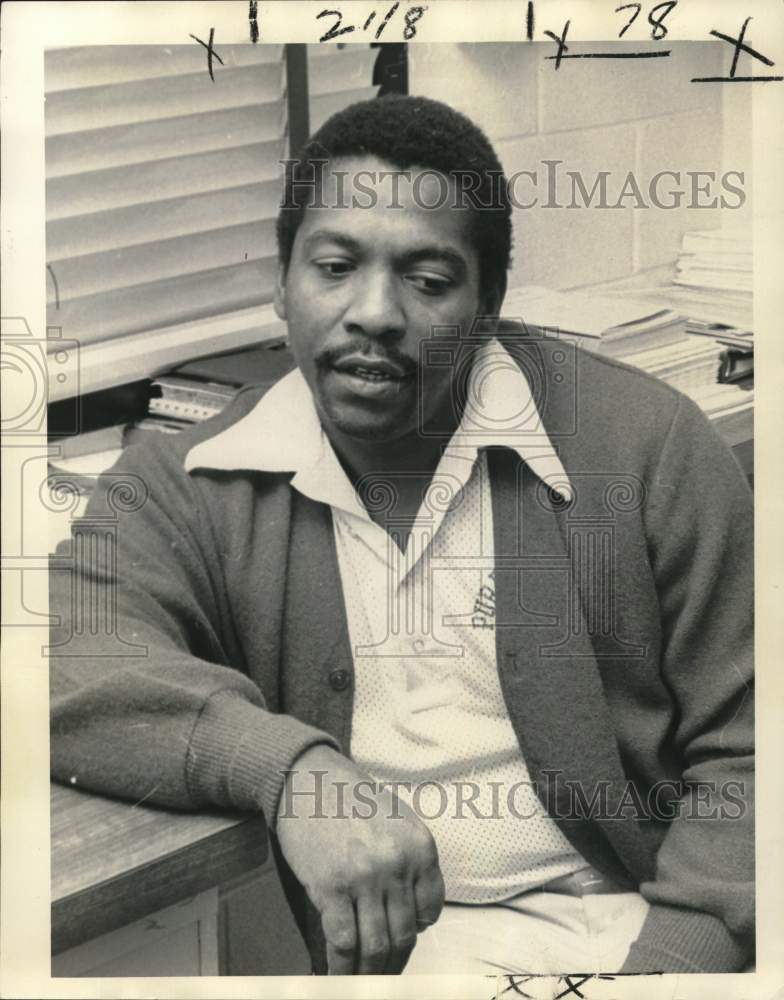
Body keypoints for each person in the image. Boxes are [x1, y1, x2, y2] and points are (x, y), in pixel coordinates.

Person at [50, 95, 754, 976]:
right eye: (334, 265)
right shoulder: (191, 483)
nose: (374, 312)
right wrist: (295, 773)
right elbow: (60, 651)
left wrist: (679, 964)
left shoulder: (646, 445)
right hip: (372, 959)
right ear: (281, 283)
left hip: (636, 934)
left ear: (490, 302)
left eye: (427, 281)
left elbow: (753, 751)